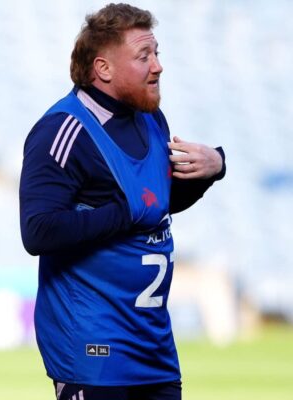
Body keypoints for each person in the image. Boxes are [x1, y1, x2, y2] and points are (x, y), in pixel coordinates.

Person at [19, 3, 226, 400]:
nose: (158, 66)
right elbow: (39, 230)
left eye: (157, 53)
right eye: (143, 56)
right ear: (104, 69)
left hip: (153, 346)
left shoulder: (151, 118)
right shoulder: (62, 131)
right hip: (93, 350)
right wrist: (124, 212)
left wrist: (214, 168)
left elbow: (155, 204)